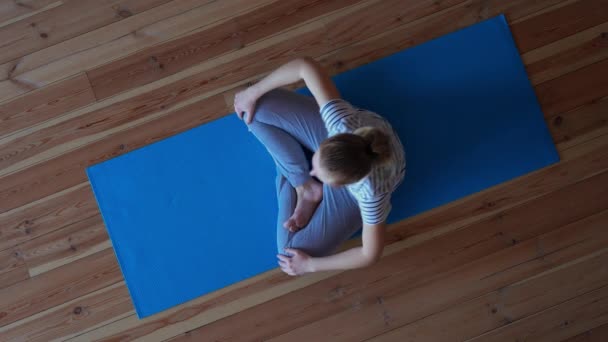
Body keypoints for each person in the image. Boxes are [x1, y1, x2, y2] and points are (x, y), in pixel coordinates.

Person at [233, 57, 405, 276]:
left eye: (318, 176)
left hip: (367, 179)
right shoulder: (338, 122)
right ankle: (305, 187)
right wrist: (253, 92)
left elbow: (370, 254)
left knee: (288, 254)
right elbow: (305, 66)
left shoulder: (371, 194)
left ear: (342, 185)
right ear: (328, 141)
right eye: (315, 166)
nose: (313, 172)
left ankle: (293, 169)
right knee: (254, 107)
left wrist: (310, 265)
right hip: (355, 143)